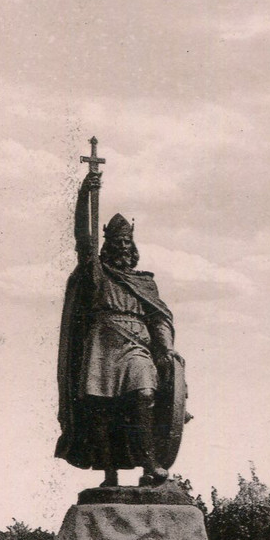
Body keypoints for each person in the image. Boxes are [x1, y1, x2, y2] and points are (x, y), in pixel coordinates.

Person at [56, 168, 183, 487]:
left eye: (128, 242)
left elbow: (159, 319)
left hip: (135, 350)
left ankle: (149, 462)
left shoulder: (145, 283)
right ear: (109, 245)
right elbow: (83, 238)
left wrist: (165, 348)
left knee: (144, 394)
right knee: (101, 409)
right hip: (102, 346)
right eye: (118, 242)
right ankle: (109, 473)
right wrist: (85, 192)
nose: (124, 247)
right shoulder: (97, 273)